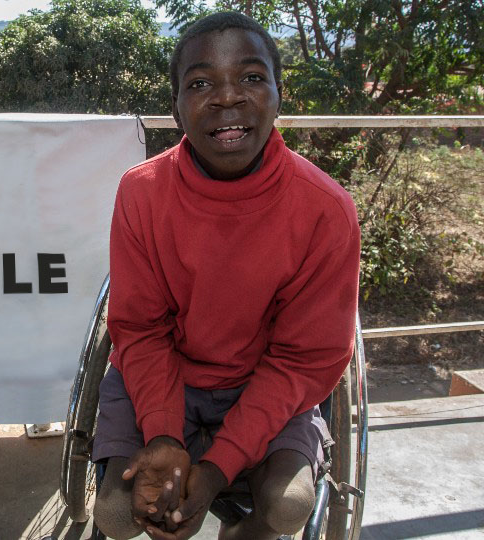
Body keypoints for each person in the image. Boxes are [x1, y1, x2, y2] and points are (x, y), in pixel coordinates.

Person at [90, 11, 361, 540]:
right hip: (163, 377)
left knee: (289, 506)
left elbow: (304, 358)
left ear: (280, 94)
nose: (228, 98)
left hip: (266, 386)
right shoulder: (142, 193)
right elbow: (141, 329)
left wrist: (215, 470)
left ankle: (244, 532)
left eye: (252, 78)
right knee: (117, 515)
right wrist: (166, 437)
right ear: (177, 107)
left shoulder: (325, 209)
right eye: (200, 83)